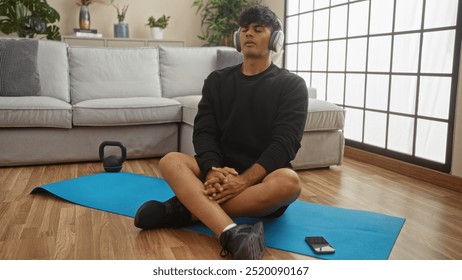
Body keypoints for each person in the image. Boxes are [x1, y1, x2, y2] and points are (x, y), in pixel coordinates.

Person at [134, 5, 308, 260]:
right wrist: (212, 169)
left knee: (290, 183)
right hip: (216, 175)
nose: (249, 34)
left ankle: (185, 210)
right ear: (238, 39)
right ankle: (230, 233)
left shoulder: (292, 86)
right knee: (171, 160)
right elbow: (204, 132)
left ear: (275, 39)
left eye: (258, 29)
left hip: (261, 180)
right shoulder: (216, 81)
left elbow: (285, 144)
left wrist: (243, 180)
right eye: (244, 29)